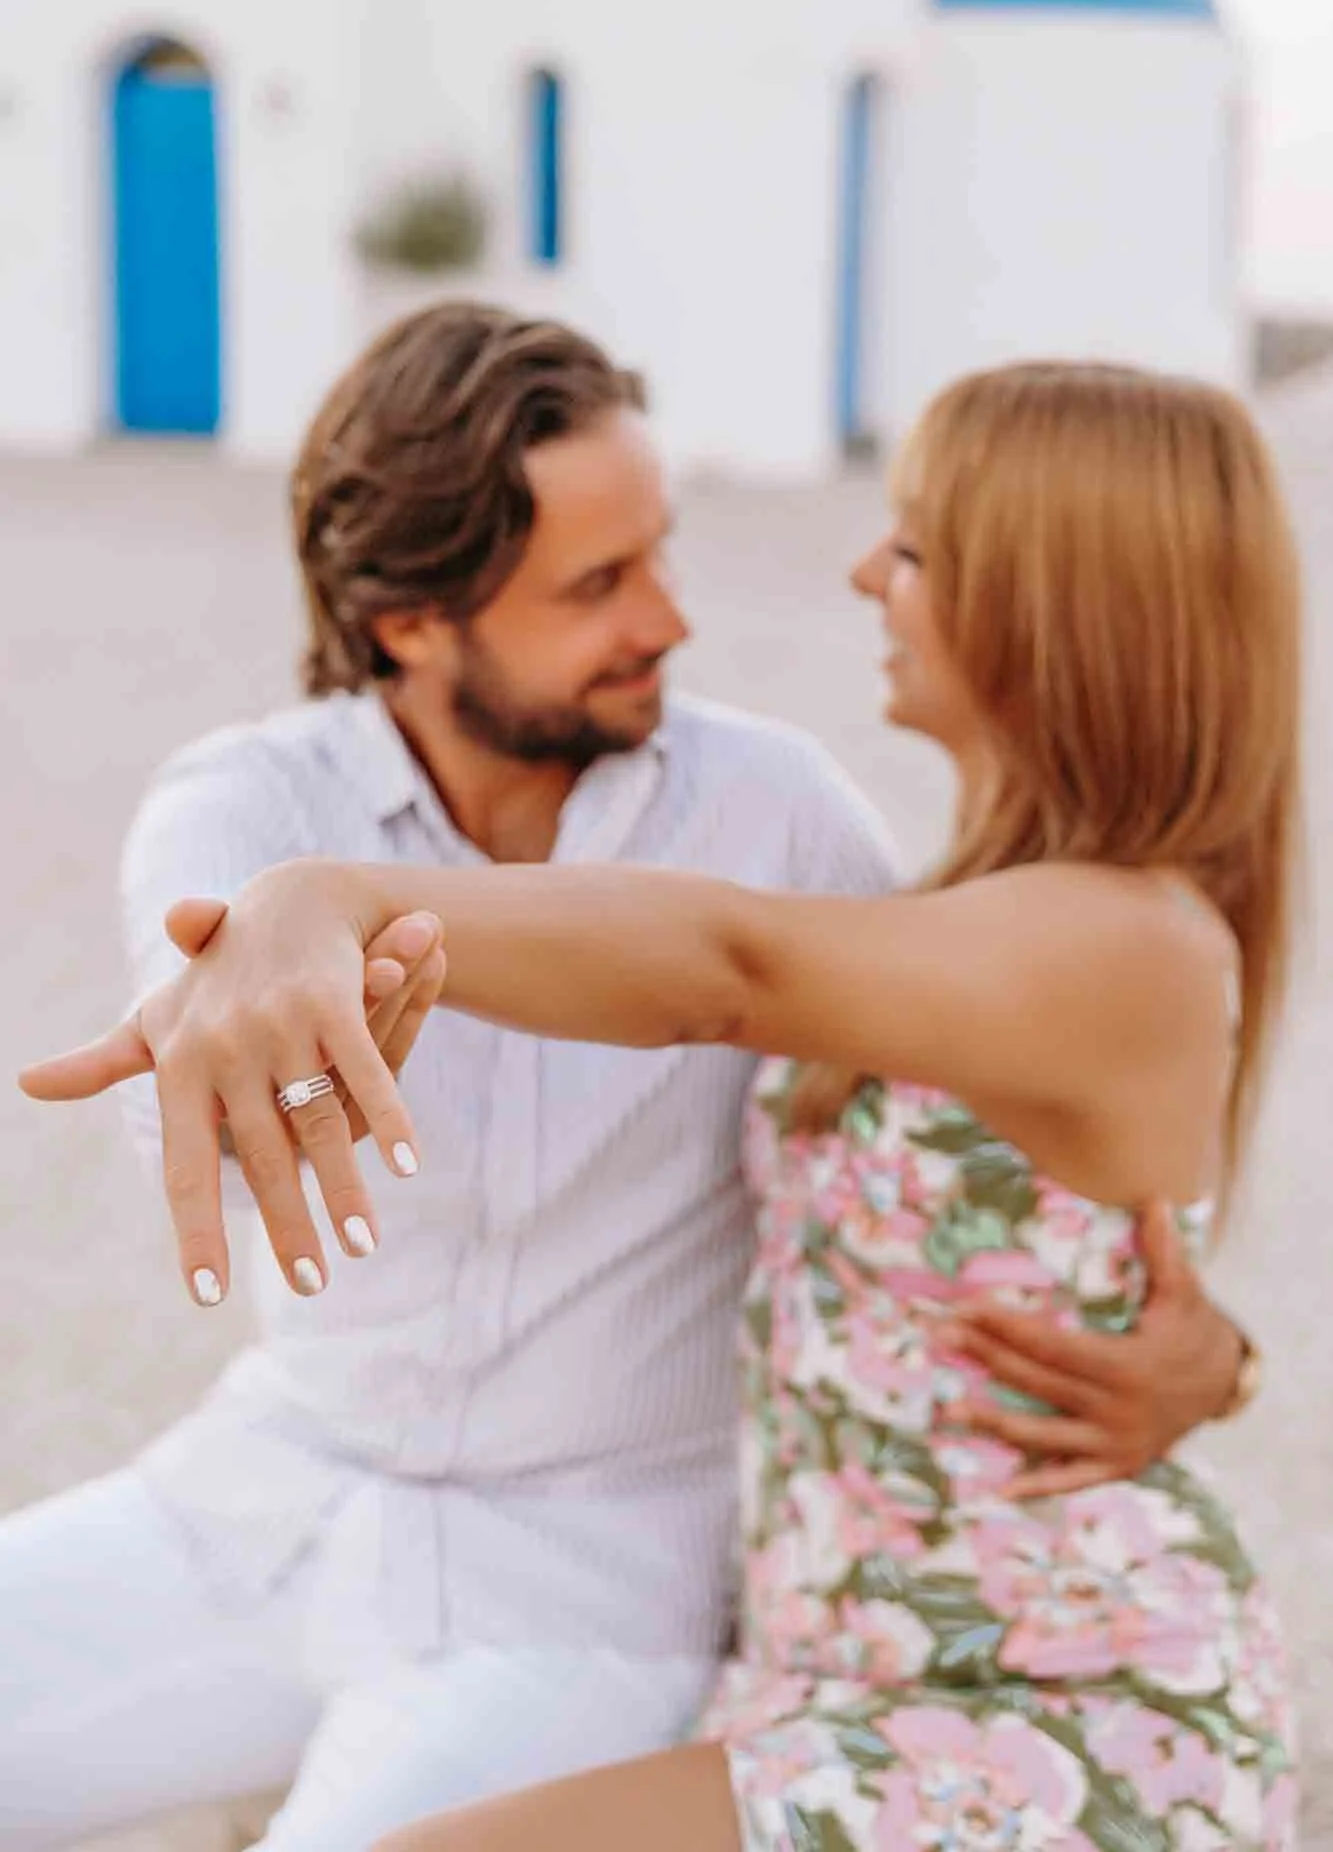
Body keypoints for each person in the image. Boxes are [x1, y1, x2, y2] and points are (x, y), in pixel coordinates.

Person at [13, 327, 1257, 1852]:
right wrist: (269, 995)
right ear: (411, 623)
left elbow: (736, 968)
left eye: (655, 559)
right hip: (271, 1500)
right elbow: (1016, 1201)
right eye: (597, 586)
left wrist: (336, 905)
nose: (672, 619)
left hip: (599, 1590)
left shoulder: (787, 824)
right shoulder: (244, 798)